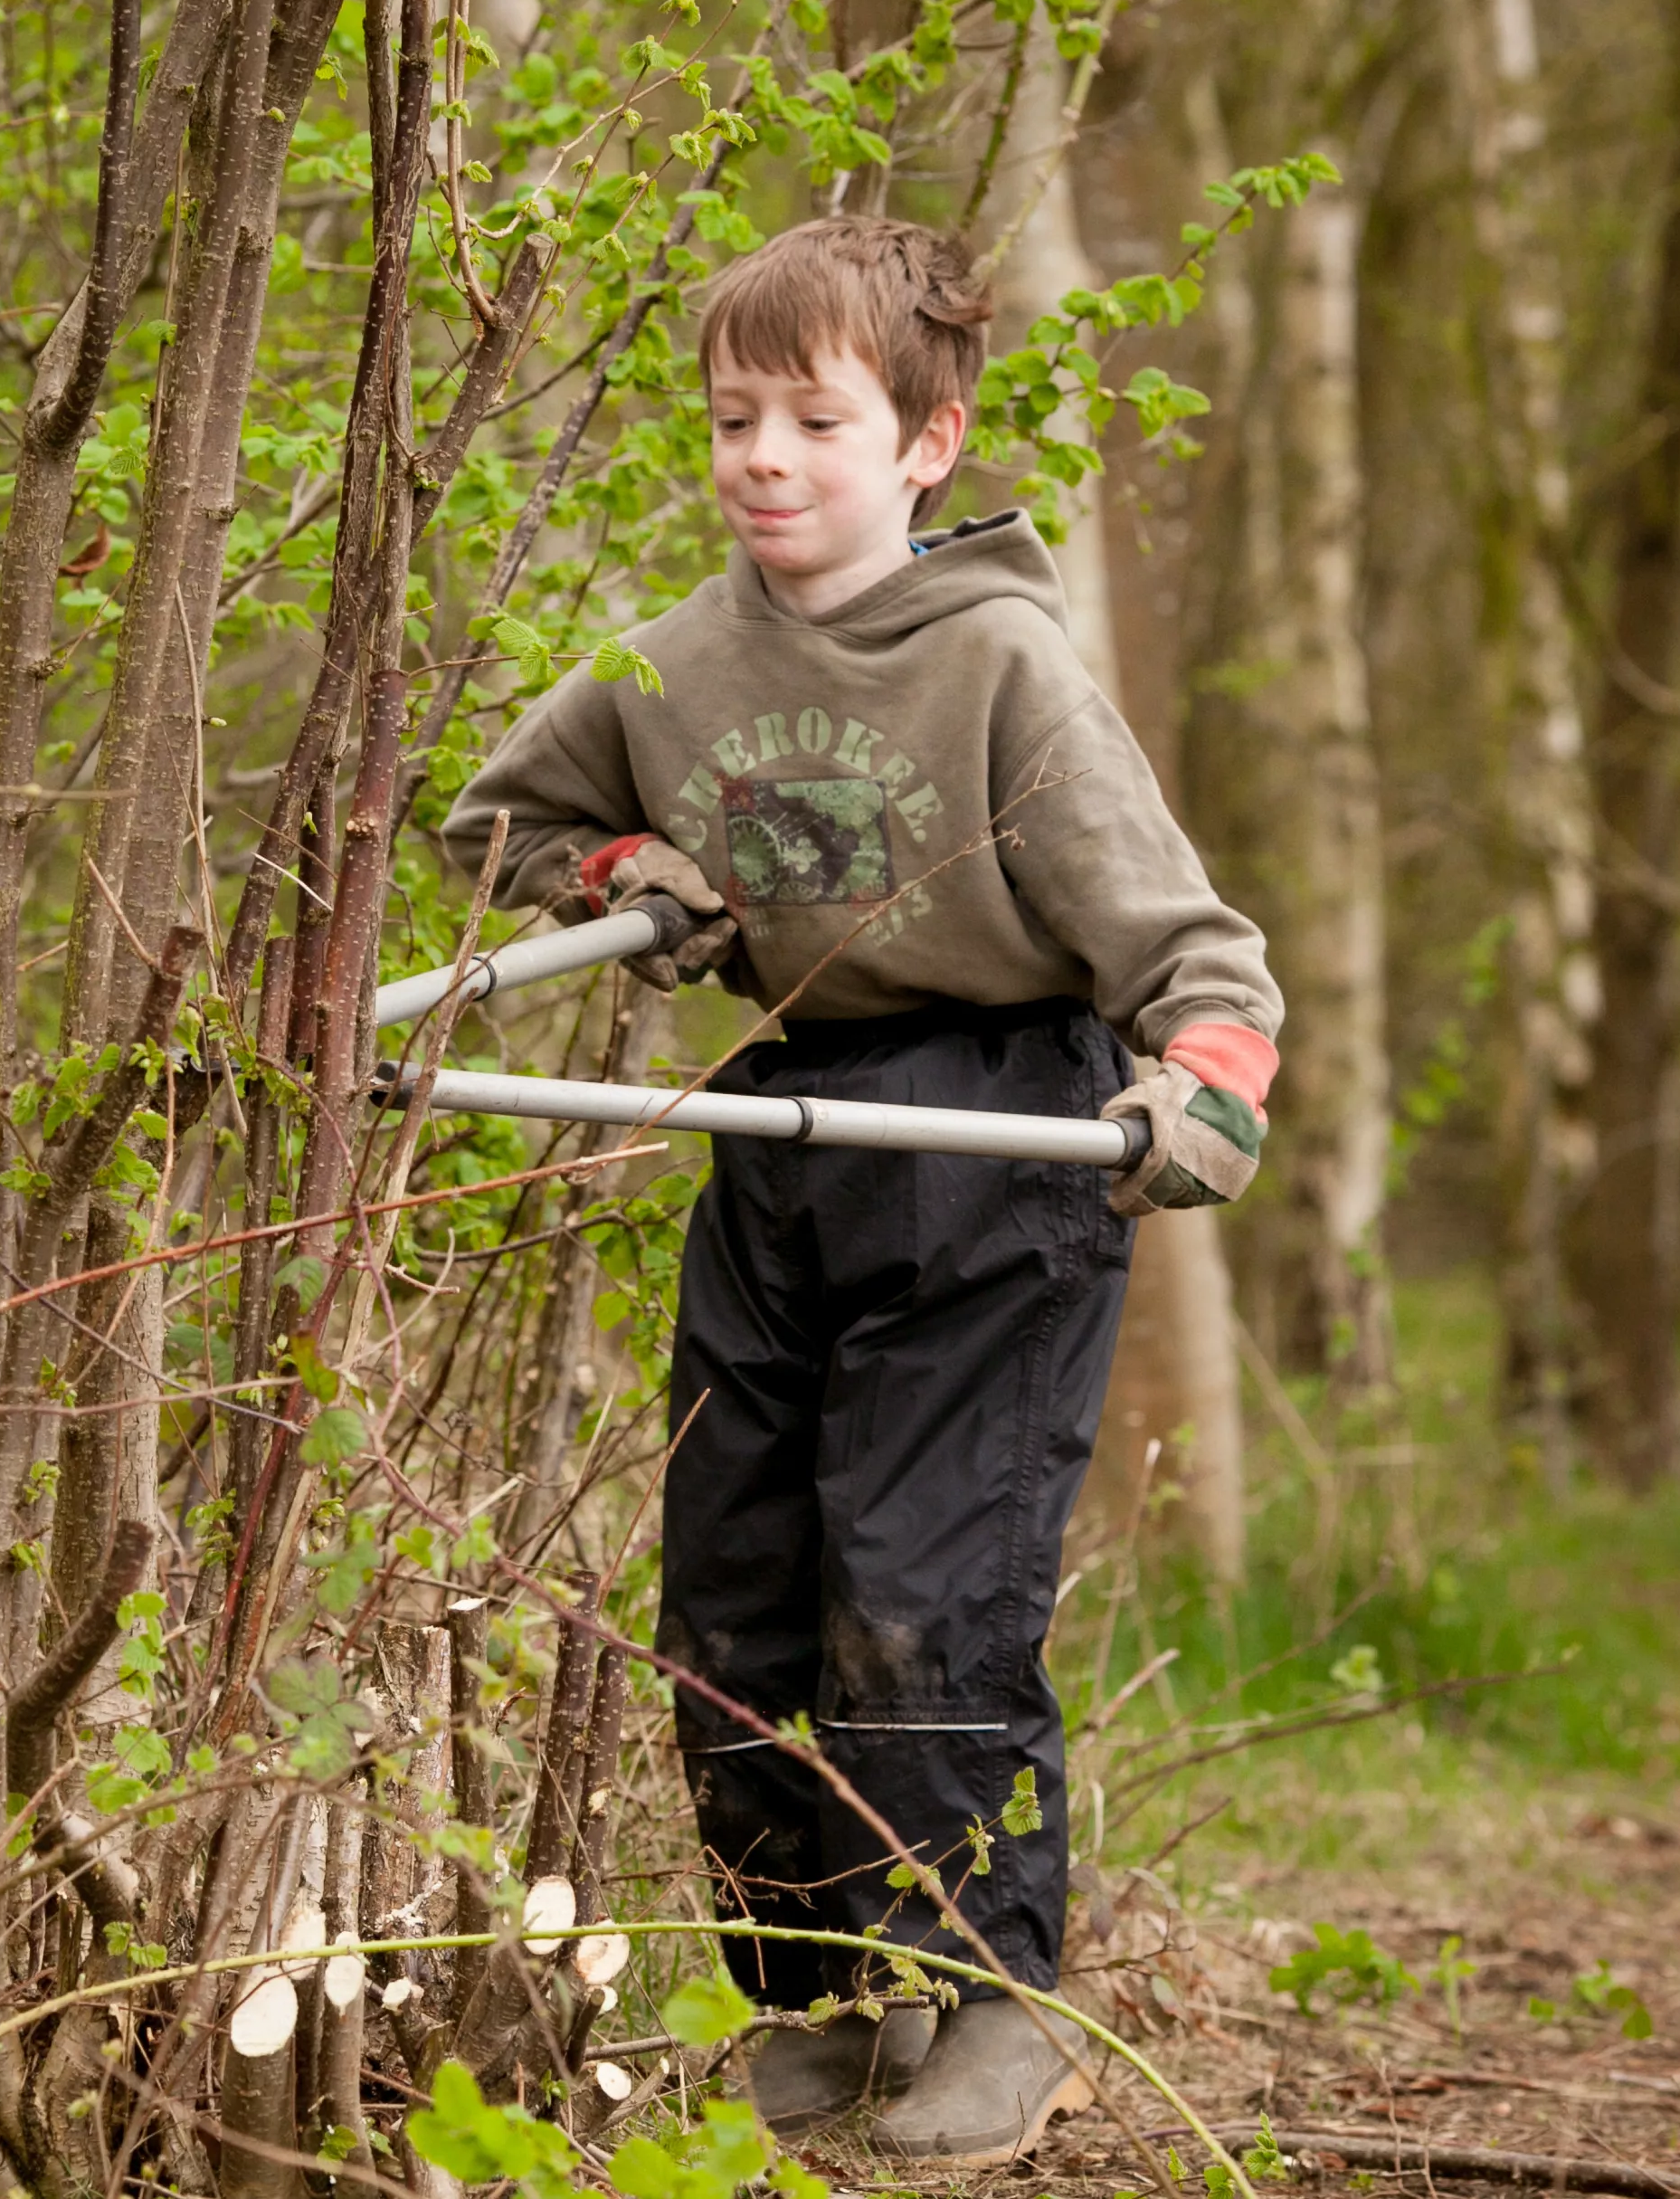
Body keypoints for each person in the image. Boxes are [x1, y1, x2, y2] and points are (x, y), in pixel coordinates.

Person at [439, 215, 1281, 2165]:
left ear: (923, 442)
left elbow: (1192, 950)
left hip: (1002, 1150)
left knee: (922, 1603)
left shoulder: (1004, 665)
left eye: (814, 418)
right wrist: (625, 874)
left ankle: (989, 2002)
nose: (763, 456)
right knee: (731, 1599)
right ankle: (810, 2001)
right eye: (735, 416)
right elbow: (496, 819)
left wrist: (1204, 1088)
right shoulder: (667, 660)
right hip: (786, 1135)